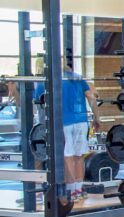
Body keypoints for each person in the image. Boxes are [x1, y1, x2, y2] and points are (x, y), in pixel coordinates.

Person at [37, 55, 101, 203]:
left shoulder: (46, 80)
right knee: (78, 156)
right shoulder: (77, 78)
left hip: (63, 123)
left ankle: (70, 191)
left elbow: (39, 106)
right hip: (81, 122)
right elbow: (91, 97)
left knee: (67, 156)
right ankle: (77, 190)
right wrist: (97, 118)